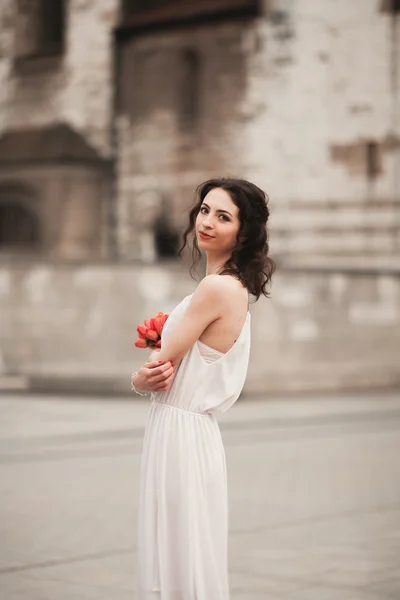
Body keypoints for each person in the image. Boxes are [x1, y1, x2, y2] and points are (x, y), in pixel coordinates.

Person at [131, 178, 275, 599]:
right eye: (205, 210)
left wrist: (137, 379)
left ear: (242, 233)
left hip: (180, 431)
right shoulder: (233, 288)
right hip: (192, 432)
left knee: (175, 551)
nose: (207, 222)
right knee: (187, 548)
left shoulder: (216, 288)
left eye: (223, 216)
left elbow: (159, 366)